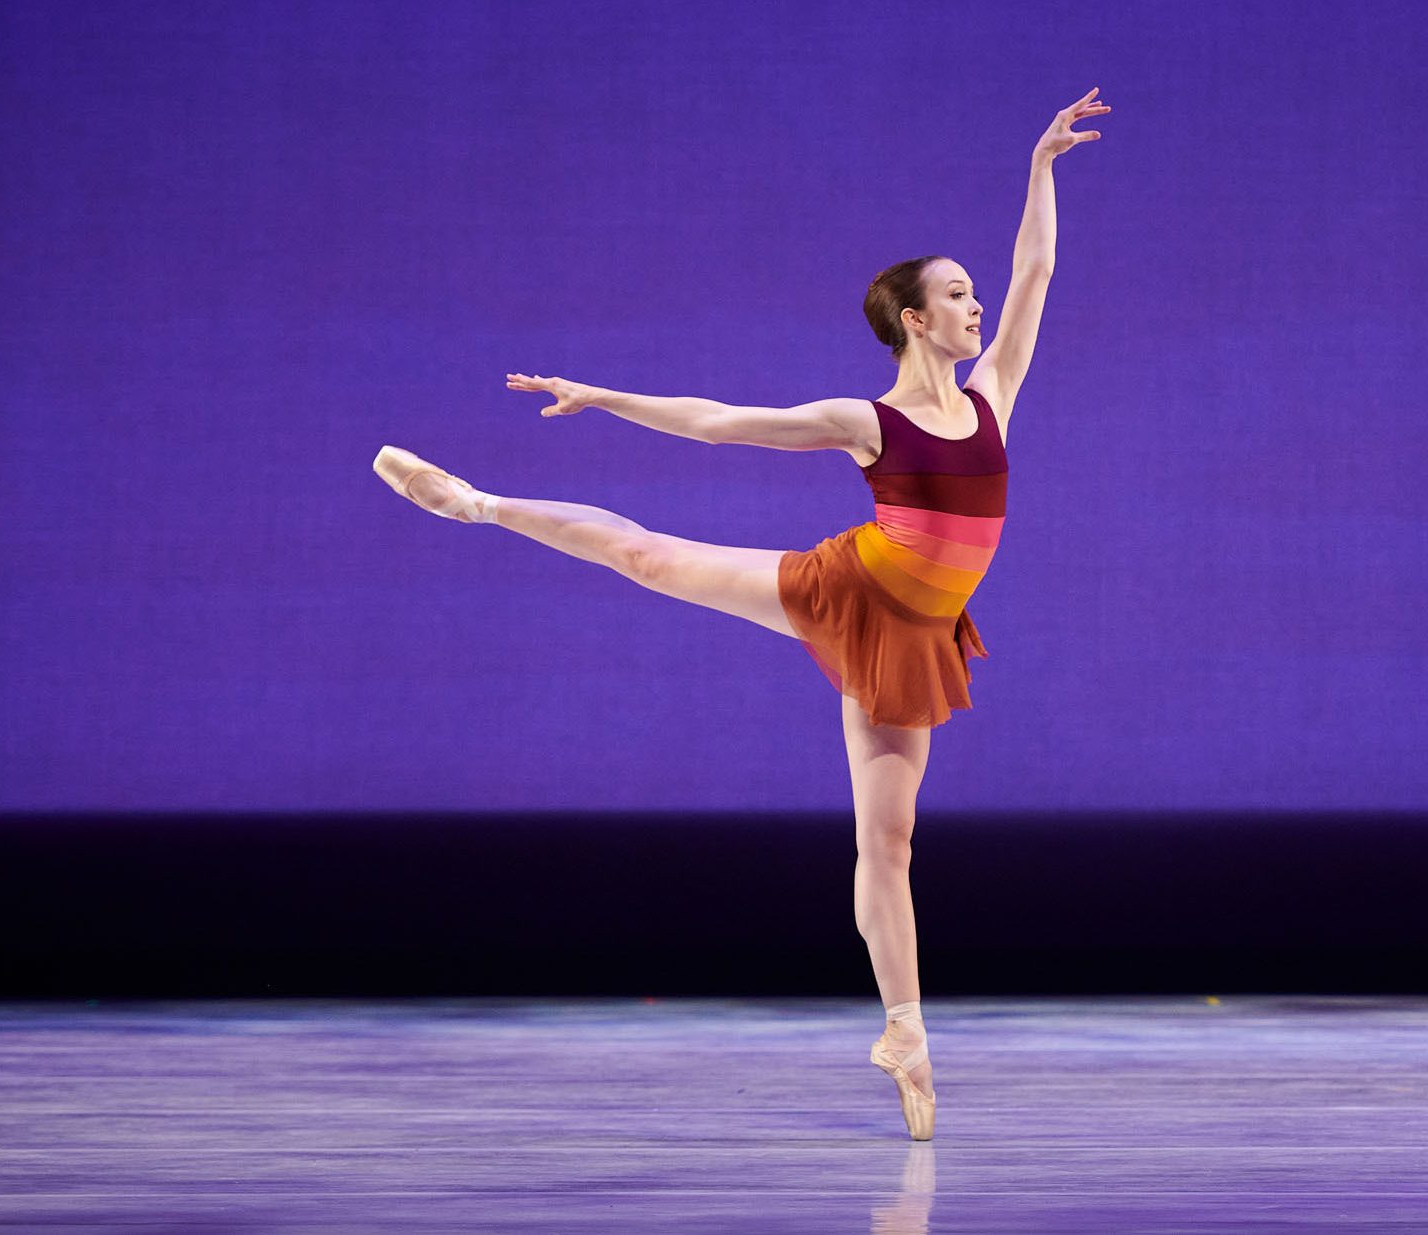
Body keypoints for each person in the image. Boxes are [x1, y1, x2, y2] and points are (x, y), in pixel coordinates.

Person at [373, 88, 1110, 1139]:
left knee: (888, 839)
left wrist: (1039, 167)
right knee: (648, 556)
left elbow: (1035, 271)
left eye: (972, 293)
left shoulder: (994, 392)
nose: (976, 306)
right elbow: (720, 424)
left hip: (914, 637)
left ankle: (904, 1030)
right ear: (914, 319)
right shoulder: (867, 419)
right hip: (849, 588)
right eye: (956, 294)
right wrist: (605, 396)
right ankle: (475, 502)